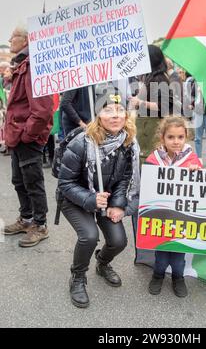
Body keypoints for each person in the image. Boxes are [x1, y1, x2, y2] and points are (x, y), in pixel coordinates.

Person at [58, 90, 140, 308]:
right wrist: (90, 199)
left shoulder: (128, 143)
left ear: (126, 115)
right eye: (107, 110)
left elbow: (124, 178)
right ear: (98, 115)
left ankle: (102, 263)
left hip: (107, 198)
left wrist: (119, 205)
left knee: (119, 241)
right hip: (76, 198)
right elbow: (64, 183)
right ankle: (77, 277)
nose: (115, 115)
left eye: (119, 110)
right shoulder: (82, 142)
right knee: (89, 236)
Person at [3, 26, 53, 247]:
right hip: (18, 134)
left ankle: (40, 225)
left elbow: (42, 110)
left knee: (32, 182)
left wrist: (27, 134)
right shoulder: (23, 64)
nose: (9, 40)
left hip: (26, 137)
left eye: (12, 37)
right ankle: (26, 219)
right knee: (19, 180)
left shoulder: (33, 66)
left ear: (24, 40)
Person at [145, 116, 202, 297]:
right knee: (161, 256)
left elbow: (203, 188)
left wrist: (197, 172)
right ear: (162, 138)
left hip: (182, 219)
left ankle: (178, 277)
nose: (176, 141)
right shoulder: (153, 159)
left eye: (180, 137)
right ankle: (158, 275)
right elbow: (147, 185)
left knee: (178, 257)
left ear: (186, 137)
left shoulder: (192, 159)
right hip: (161, 219)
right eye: (171, 137)